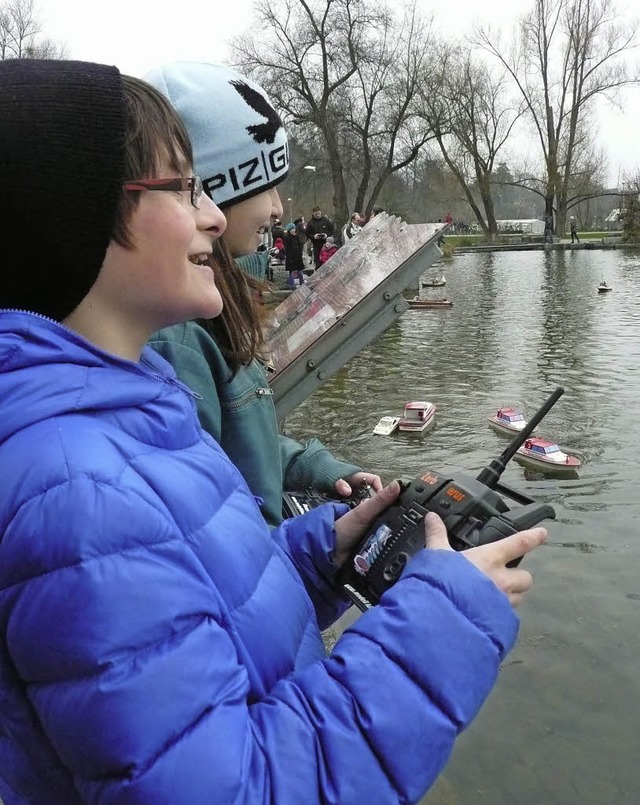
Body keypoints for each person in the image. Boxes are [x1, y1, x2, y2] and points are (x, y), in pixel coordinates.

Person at [145, 62, 381, 526]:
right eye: (267, 185)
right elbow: (214, 527)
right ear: (216, 189)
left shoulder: (218, 303)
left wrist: (311, 466)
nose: (277, 207)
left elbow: (244, 442)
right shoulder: (178, 340)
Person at [305, 204, 335, 268]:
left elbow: (332, 229)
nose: (318, 215)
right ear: (313, 214)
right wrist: (314, 236)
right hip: (316, 245)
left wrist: (327, 235)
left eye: (319, 213)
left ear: (321, 212)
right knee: (318, 261)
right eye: (316, 214)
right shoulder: (310, 223)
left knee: (327, 262)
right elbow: (307, 234)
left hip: (326, 245)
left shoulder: (325, 220)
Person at [284, 220, 306, 285]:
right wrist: (289, 258)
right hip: (291, 257)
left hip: (298, 256)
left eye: (294, 229)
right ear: (289, 230)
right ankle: (291, 283)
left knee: (300, 270)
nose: (293, 230)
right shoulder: (287, 238)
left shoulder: (296, 237)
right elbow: (287, 249)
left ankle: (301, 281)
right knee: (292, 271)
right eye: (292, 229)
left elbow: (300, 246)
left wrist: (300, 254)